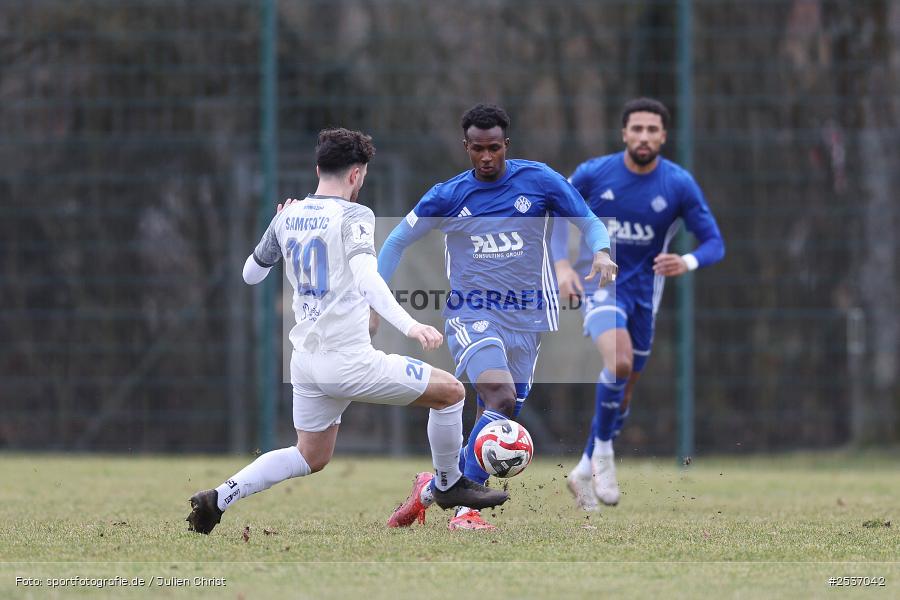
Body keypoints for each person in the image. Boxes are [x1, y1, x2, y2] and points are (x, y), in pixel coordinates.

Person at [186, 128, 508, 535]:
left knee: (310, 455)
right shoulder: (355, 215)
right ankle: (448, 484)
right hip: (349, 361)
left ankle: (220, 497)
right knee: (452, 394)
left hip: (305, 363)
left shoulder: (288, 215)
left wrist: (278, 227)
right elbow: (367, 278)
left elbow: (251, 275)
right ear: (357, 175)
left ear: (318, 167)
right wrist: (409, 324)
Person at [378, 104, 617, 531]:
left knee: (496, 415)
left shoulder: (539, 181)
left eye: (494, 149)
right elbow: (396, 240)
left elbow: (588, 219)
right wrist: (375, 298)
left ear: (506, 145)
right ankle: (461, 509)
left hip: (529, 320)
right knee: (500, 397)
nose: (486, 157)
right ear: (466, 147)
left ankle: (434, 491)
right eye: (477, 149)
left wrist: (601, 250)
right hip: (472, 312)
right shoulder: (448, 195)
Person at [551, 98, 725, 510]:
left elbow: (715, 242)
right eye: (637, 129)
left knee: (624, 390)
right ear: (624, 133)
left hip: (645, 297)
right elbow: (557, 213)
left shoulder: (678, 184)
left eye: (652, 130)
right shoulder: (595, 174)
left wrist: (686, 260)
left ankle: (583, 468)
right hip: (600, 285)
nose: (644, 137)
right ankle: (605, 456)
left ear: (663, 136)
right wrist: (561, 265)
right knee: (620, 361)